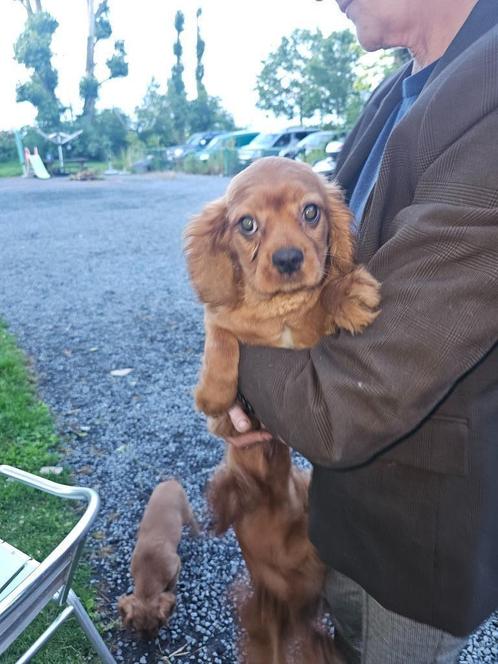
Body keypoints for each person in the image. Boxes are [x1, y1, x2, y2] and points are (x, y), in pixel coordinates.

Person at [225, 0, 498, 661]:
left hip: (410, 543)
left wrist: (233, 345)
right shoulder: (401, 87)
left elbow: (346, 401)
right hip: (346, 510)